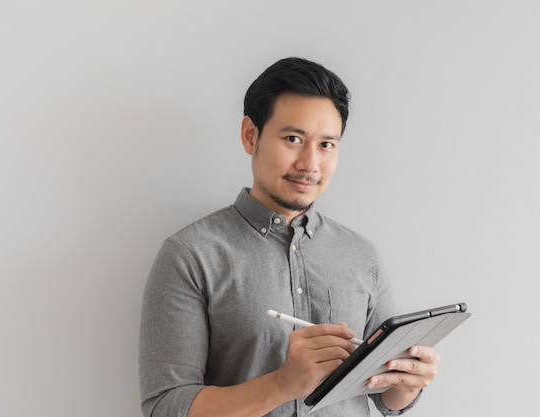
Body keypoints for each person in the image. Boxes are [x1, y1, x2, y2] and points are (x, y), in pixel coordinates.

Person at [139, 57, 441, 417]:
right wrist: (282, 384)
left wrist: (408, 382)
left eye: (327, 144)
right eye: (293, 138)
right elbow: (165, 407)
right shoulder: (190, 255)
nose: (310, 164)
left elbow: (385, 397)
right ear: (251, 135)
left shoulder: (362, 255)